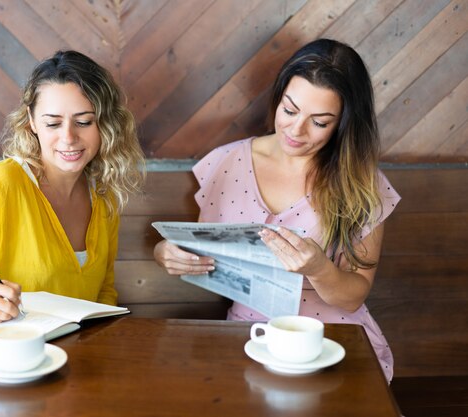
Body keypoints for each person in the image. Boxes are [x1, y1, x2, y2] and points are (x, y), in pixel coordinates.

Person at [153, 39, 400, 382]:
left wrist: (318, 269)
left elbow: (353, 296)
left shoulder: (361, 182)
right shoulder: (226, 163)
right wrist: (166, 252)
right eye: (289, 110)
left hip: (332, 337)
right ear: (278, 98)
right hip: (250, 337)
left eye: (320, 122)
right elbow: (206, 255)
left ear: (344, 123)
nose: (296, 131)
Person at [0, 50, 145, 324]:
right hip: (5, 358)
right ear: (32, 122)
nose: (68, 137)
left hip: (77, 358)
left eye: (84, 122)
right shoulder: (0, 183)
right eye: (52, 123)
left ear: (106, 124)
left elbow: (104, 291)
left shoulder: (104, 195)